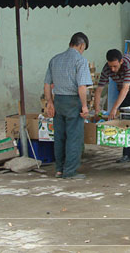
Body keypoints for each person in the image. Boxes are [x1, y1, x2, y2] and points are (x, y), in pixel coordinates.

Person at [44, 32, 93, 180]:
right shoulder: (80, 60)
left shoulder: (55, 59)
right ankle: (70, 171)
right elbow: (82, 87)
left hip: (58, 100)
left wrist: (49, 103)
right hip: (73, 101)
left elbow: (47, 84)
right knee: (74, 137)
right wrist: (84, 106)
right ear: (81, 45)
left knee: (59, 136)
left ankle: (59, 170)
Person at [94, 49, 130, 163]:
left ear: (121, 61)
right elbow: (99, 89)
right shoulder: (106, 69)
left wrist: (114, 109)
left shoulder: (129, 65)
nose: (112, 70)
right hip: (125, 92)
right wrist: (97, 109)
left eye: (115, 66)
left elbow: (125, 88)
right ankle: (127, 155)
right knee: (126, 121)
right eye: (110, 66)